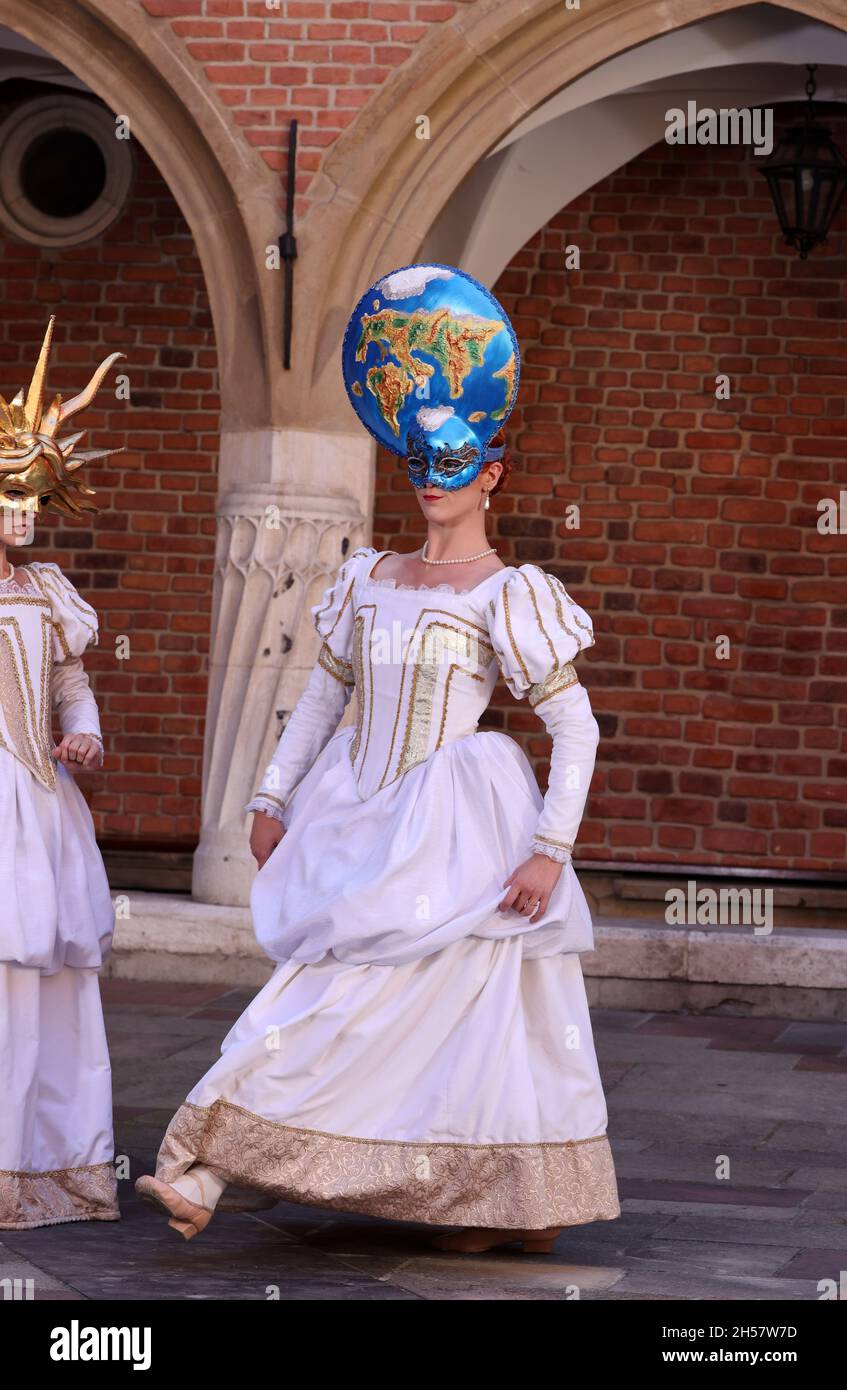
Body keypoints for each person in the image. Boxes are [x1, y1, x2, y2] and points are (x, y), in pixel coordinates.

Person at [136, 264, 620, 1253]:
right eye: (416, 463)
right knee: (336, 992)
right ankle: (203, 1161)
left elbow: (576, 728)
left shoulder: (509, 595)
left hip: (461, 821)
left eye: (452, 464)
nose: (431, 480)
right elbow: (324, 694)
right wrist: (269, 795)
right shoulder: (367, 579)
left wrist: (547, 850)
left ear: (491, 471)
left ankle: (495, 1198)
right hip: (358, 810)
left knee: (469, 1006)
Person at [0, 317, 122, 1229]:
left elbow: (71, 687)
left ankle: (37, 1168)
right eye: (10, 495)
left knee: (39, 978)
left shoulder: (48, 592)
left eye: (34, 498)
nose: (23, 514)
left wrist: (84, 736)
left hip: (38, 806)